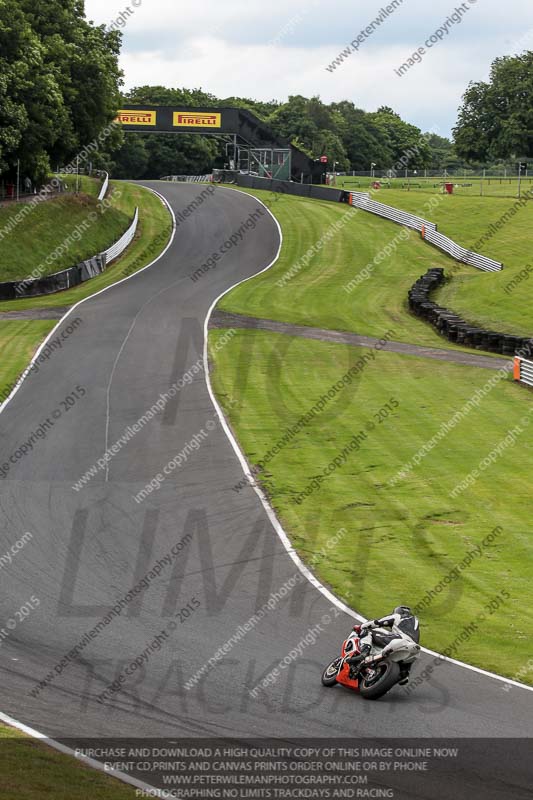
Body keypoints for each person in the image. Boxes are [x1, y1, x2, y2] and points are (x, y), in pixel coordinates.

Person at [346, 606, 419, 677]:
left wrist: (361, 627)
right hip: (412, 647)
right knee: (404, 669)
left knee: (367, 631)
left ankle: (364, 653)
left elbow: (378, 622)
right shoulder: (415, 624)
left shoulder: (398, 616)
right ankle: (404, 674)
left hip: (400, 639)